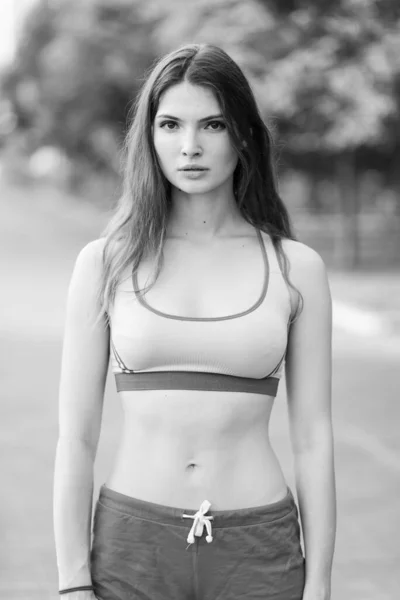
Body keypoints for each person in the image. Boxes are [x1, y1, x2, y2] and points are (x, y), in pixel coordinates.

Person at [53, 43, 336, 600]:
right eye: (170, 124)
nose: (189, 146)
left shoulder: (297, 269)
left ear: (244, 135)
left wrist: (320, 583)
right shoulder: (105, 263)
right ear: (149, 137)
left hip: (260, 550)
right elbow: (77, 438)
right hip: (131, 549)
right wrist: (72, 583)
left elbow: (313, 439)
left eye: (212, 124)